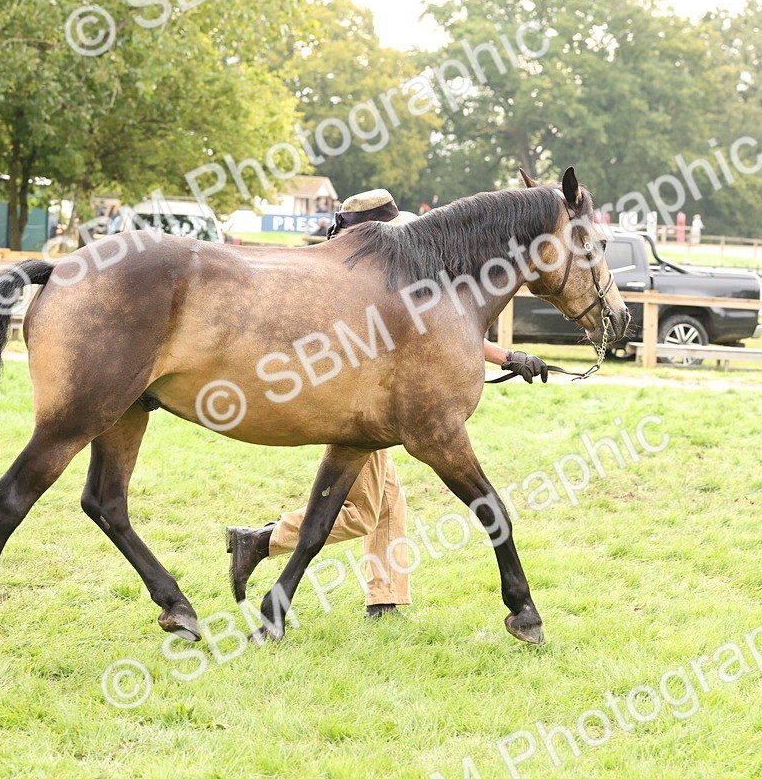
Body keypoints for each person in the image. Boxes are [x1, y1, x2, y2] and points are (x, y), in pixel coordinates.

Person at [226, 189, 553, 618]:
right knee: (363, 512)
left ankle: (384, 598)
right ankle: (261, 542)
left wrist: (509, 357)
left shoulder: (381, 275)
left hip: (379, 402)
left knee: (389, 504)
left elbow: (443, 333)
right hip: (364, 409)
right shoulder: (363, 284)